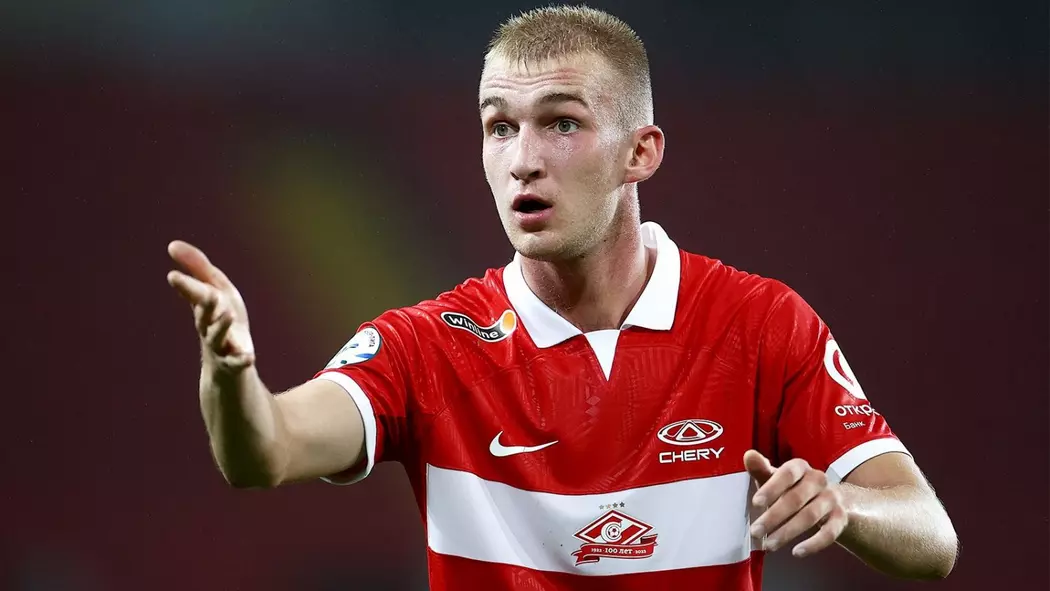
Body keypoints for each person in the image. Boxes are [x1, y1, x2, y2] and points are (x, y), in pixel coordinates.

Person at [166, 5, 957, 589]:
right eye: (499, 126)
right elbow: (265, 450)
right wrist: (231, 376)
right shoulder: (428, 346)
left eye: (562, 124)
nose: (523, 159)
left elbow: (931, 536)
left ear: (640, 153)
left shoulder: (759, 324)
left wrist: (844, 504)